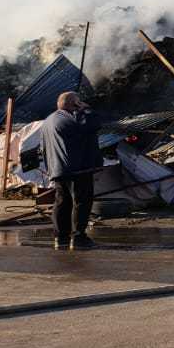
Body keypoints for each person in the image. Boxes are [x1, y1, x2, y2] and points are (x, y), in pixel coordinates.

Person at [39, 91, 103, 250]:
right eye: (78, 102)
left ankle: (61, 238)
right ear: (73, 104)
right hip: (77, 169)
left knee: (62, 202)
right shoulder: (72, 118)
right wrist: (85, 109)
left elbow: (43, 147)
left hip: (58, 169)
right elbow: (94, 124)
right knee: (81, 202)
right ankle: (79, 238)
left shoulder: (48, 121)